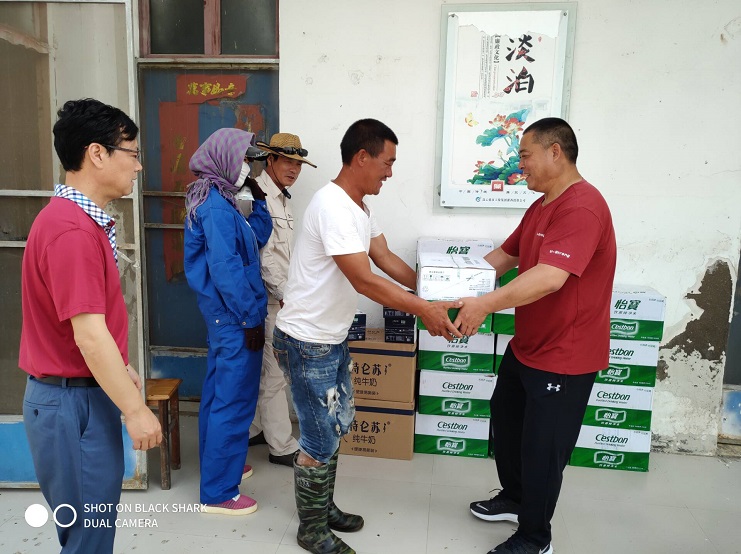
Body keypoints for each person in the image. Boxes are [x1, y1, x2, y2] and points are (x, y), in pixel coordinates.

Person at [273, 118, 462, 554]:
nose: (390, 173)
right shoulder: (333, 207)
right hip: (307, 342)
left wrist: (432, 292)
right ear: (362, 157)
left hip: (330, 338)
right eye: (387, 163)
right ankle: (311, 530)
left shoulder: (357, 206)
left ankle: (323, 507)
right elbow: (364, 280)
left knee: (336, 425)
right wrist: (425, 310)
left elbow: (384, 257)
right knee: (319, 437)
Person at [455, 117, 617, 554]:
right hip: (528, 345)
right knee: (507, 423)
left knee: (543, 449)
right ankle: (515, 498)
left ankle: (534, 537)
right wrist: (451, 288)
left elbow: (549, 277)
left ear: (555, 152)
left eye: (525, 155)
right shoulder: (542, 205)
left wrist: (483, 305)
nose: (519, 164)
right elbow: (504, 256)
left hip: (565, 353)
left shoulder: (582, 207)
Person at [19, 98, 162, 553]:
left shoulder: (77, 221)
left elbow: (85, 328)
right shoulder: (73, 231)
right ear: (97, 154)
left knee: (89, 533)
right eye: (133, 153)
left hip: (78, 396)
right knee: (88, 539)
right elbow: (89, 335)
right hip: (71, 404)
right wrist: (136, 411)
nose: (138, 166)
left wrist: (120, 369)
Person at [183, 127, 273, 515]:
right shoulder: (217, 207)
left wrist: (260, 201)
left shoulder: (216, 197)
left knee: (219, 395)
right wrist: (251, 319)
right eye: (244, 160)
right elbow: (226, 269)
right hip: (236, 317)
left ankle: (219, 465)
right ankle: (219, 491)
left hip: (225, 317)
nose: (248, 167)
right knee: (234, 402)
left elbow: (256, 238)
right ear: (224, 160)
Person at [247, 133, 316, 466]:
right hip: (269, 299)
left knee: (266, 370)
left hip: (279, 298)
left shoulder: (281, 198)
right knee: (274, 373)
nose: (294, 170)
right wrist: (286, 295)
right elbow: (263, 255)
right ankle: (281, 445)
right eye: (287, 162)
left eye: (298, 164)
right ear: (270, 160)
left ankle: (257, 428)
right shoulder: (258, 196)